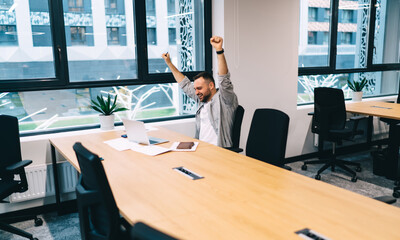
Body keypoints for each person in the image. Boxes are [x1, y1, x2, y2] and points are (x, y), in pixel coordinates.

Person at [161, 36, 238, 147]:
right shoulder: (201, 99)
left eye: (199, 88)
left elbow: (224, 79)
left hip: (218, 151)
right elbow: (185, 84)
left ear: (211, 86)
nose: (196, 92)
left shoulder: (225, 100)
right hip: (200, 147)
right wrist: (169, 63)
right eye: (195, 89)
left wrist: (219, 50)